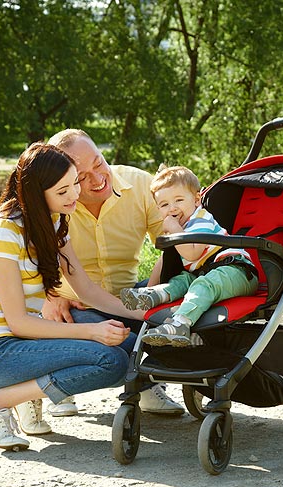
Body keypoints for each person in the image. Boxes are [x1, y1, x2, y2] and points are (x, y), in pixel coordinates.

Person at [0, 143, 146, 451]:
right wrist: (91, 331)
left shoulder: (54, 221)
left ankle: (16, 394)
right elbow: (18, 323)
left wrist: (146, 314)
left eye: (74, 184)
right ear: (35, 193)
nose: (74, 195)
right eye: (63, 191)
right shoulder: (3, 232)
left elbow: (87, 290)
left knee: (130, 347)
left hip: (21, 344)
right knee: (109, 360)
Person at [41, 129, 184, 415]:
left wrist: (150, 296)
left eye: (99, 162)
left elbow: (176, 244)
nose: (97, 179)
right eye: (82, 177)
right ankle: (59, 381)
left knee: (177, 299)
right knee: (125, 347)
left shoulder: (141, 185)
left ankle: (145, 385)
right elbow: (27, 260)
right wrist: (48, 296)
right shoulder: (53, 202)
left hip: (128, 295)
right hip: (73, 306)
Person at [120, 165, 259, 347]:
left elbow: (192, 254)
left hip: (237, 271)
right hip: (205, 272)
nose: (172, 209)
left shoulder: (201, 219)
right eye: (164, 205)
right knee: (182, 280)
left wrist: (175, 231)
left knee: (201, 284)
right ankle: (154, 295)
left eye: (178, 200)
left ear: (196, 200)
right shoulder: (184, 225)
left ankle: (179, 323)